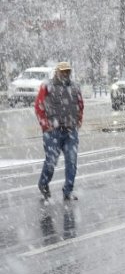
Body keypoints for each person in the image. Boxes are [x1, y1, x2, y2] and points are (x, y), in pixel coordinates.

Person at [35, 61, 84, 201]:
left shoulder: (75, 87)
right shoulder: (47, 86)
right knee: (51, 161)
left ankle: (68, 190)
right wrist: (45, 124)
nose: (65, 73)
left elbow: (80, 105)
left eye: (67, 71)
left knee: (72, 161)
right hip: (53, 131)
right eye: (63, 71)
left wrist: (78, 120)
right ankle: (43, 184)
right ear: (57, 72)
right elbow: (39, 106)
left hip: (70, 130)